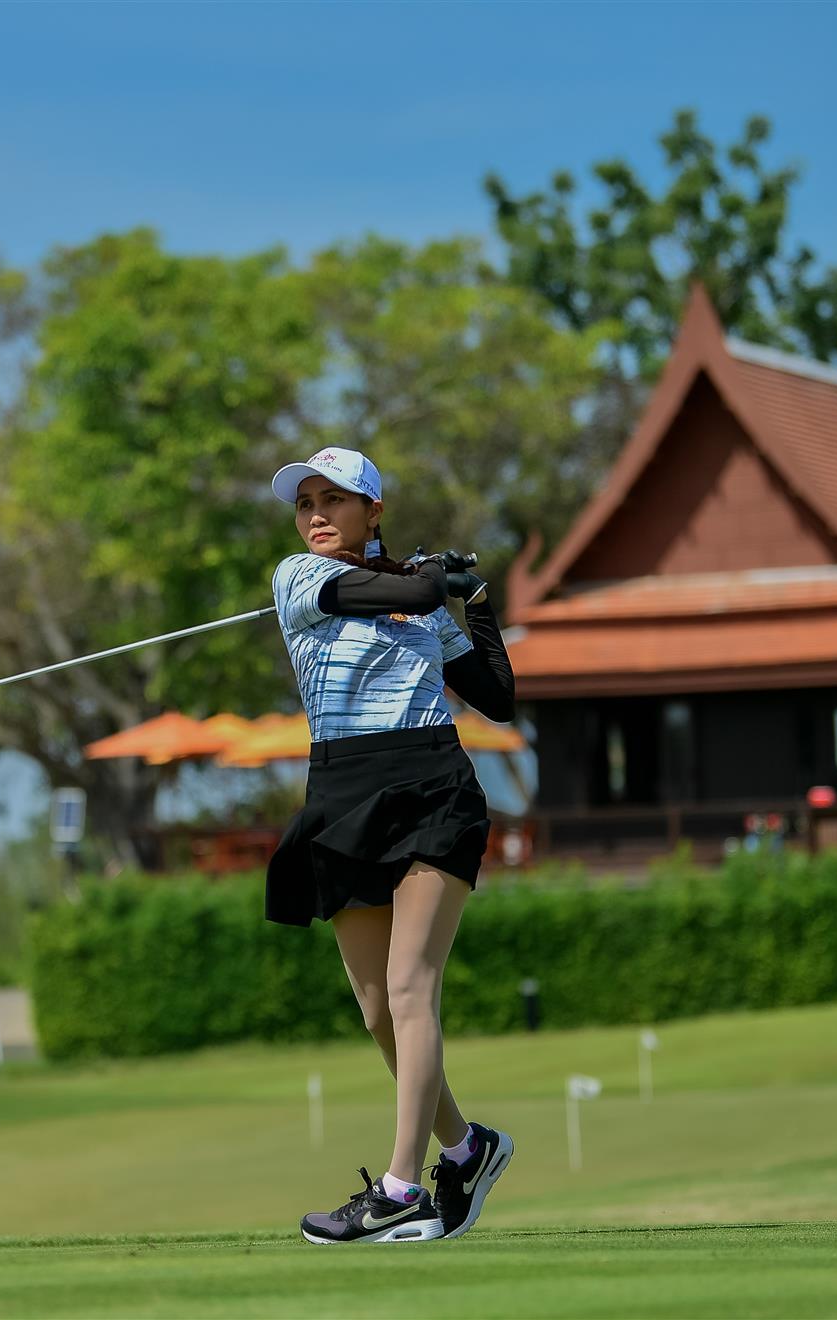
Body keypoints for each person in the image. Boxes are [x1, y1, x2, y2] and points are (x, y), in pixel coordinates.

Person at [265, 446, 517, 1246]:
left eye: (333, 500)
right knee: (378, 1009)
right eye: (305, 502)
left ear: (372, 511)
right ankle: (468, 1150)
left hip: (433, 787)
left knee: (410, 989)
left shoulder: (420, 603)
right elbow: (407, 587)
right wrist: (433, 576)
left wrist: (476, 600)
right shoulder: (299, 578)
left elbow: (498, 698)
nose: (315, 515)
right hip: (342, 796)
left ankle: (403, 1188)